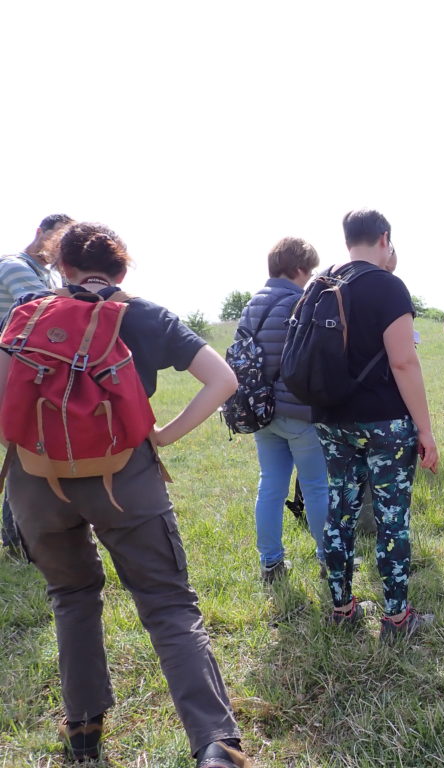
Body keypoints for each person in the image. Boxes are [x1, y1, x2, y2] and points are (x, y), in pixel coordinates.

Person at [0, 222, 252, 767]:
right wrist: (164, 434)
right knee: (167, 603)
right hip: (125, 478)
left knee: (71, 596)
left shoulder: (28, 314)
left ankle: (83, 729)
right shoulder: (146, 315)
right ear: (121, 268)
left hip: (37, 480)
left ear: (61, 266)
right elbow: (223, 380)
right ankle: (215, 744)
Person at [315, 209, 439, 640]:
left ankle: (341, 608)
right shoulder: (387, 286)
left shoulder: (321, 284)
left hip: (331, 419)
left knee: (339, 514)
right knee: (391, 519)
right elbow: (403, 362)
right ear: (384, 238)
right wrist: (425, 430)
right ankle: (396, 618)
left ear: (347, 239)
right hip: (384, 423)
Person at [236, 237, 329, 583]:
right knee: (316, 486)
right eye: (310, 271)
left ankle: (271, 564)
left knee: (271, 487)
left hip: (261, 411)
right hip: (299, 411)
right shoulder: (299, 302)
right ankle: (329, 560)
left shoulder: (252, 304)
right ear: (299, 268)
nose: (311, 277)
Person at [0, 213, 74, 555]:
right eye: (56, 237)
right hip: (10, 370)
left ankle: (20, 537)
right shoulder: (14, 266)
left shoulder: (49, 273)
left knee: (28, 447)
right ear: (40, 232)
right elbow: (42, 307)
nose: (59, 246)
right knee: (23, 448)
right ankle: (18, 537)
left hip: (26, 369)